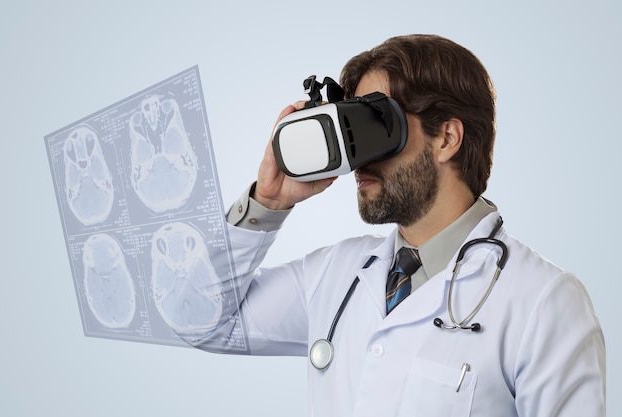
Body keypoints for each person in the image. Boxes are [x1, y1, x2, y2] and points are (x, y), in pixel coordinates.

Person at [182, 34, 606, 416]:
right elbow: (199, 321)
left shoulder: (543, 302)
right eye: (352, 130)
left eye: (375, 127)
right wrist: (267, 202)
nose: (358, 160)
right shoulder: (335, 274)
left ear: (446, 139)